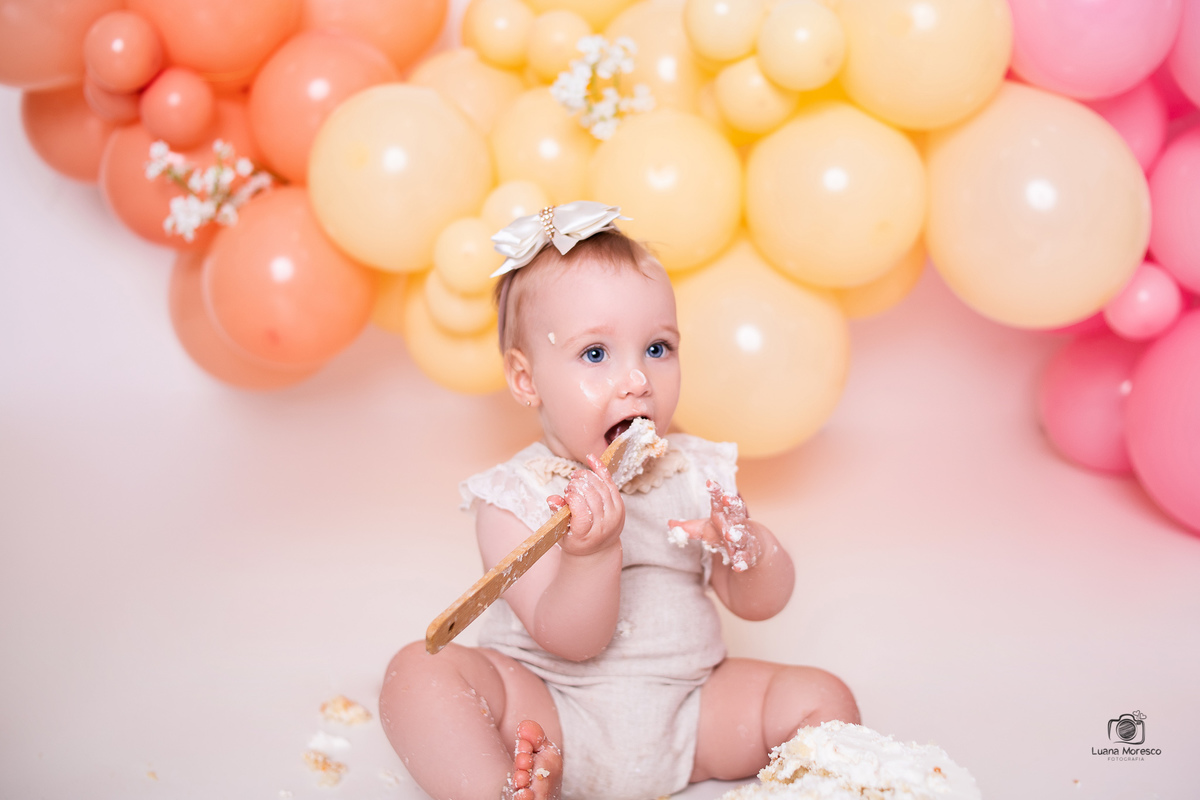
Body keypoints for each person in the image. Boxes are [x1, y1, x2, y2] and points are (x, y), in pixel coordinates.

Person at [380, 202, 859, 800]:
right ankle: (503, 789)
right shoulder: (515, 497)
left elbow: (758, 604)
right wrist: (590, 553)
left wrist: (752, 551)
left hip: (691, 710)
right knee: (418, 672)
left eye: (657, 349)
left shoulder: (693, 471)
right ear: (526, 379)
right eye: (597, 354)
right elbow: (569, 639)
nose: (637, 380)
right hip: (550, 710)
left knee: (823, 698)